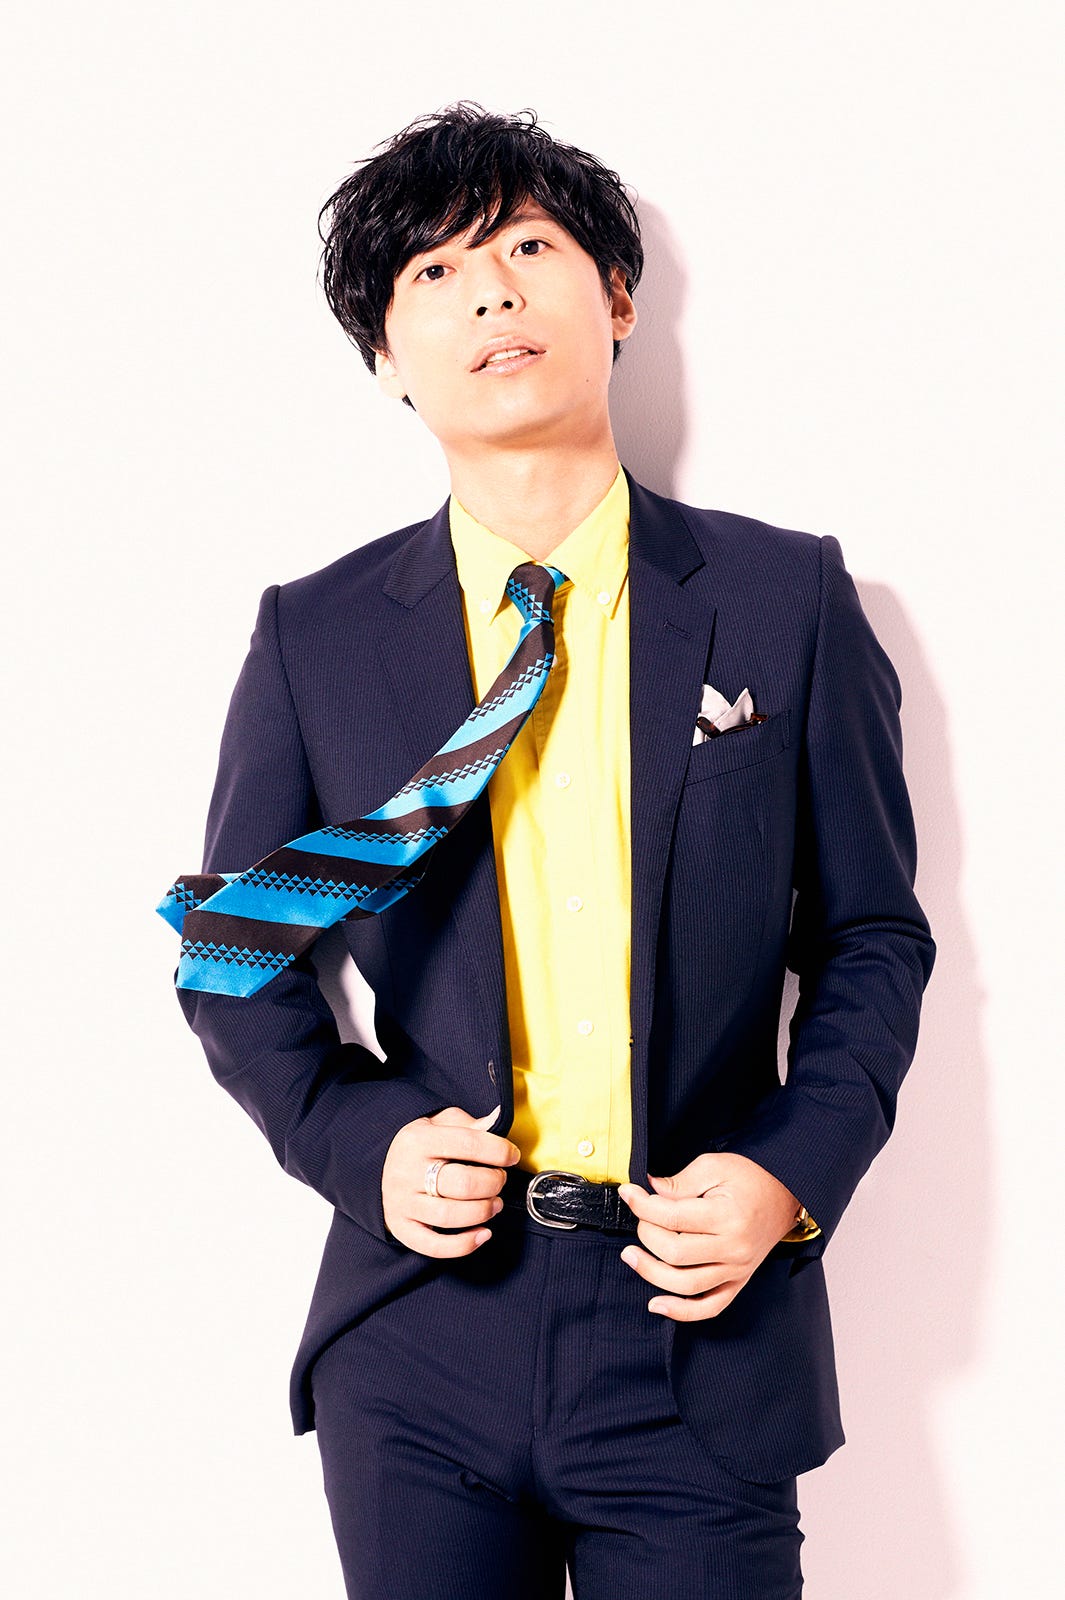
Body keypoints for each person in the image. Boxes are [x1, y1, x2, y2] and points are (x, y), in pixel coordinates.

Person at [166, 101, 935, 1599]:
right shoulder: (317, 634)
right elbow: (233, 948)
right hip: (421, 1333)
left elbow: (869, 939)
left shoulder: (784, 598)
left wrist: (788, 1175)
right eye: (435, 275)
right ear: (387, 357)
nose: (491, 295)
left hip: (698, 1326)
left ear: (618, 299)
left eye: (528, 249)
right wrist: (359, 1144)